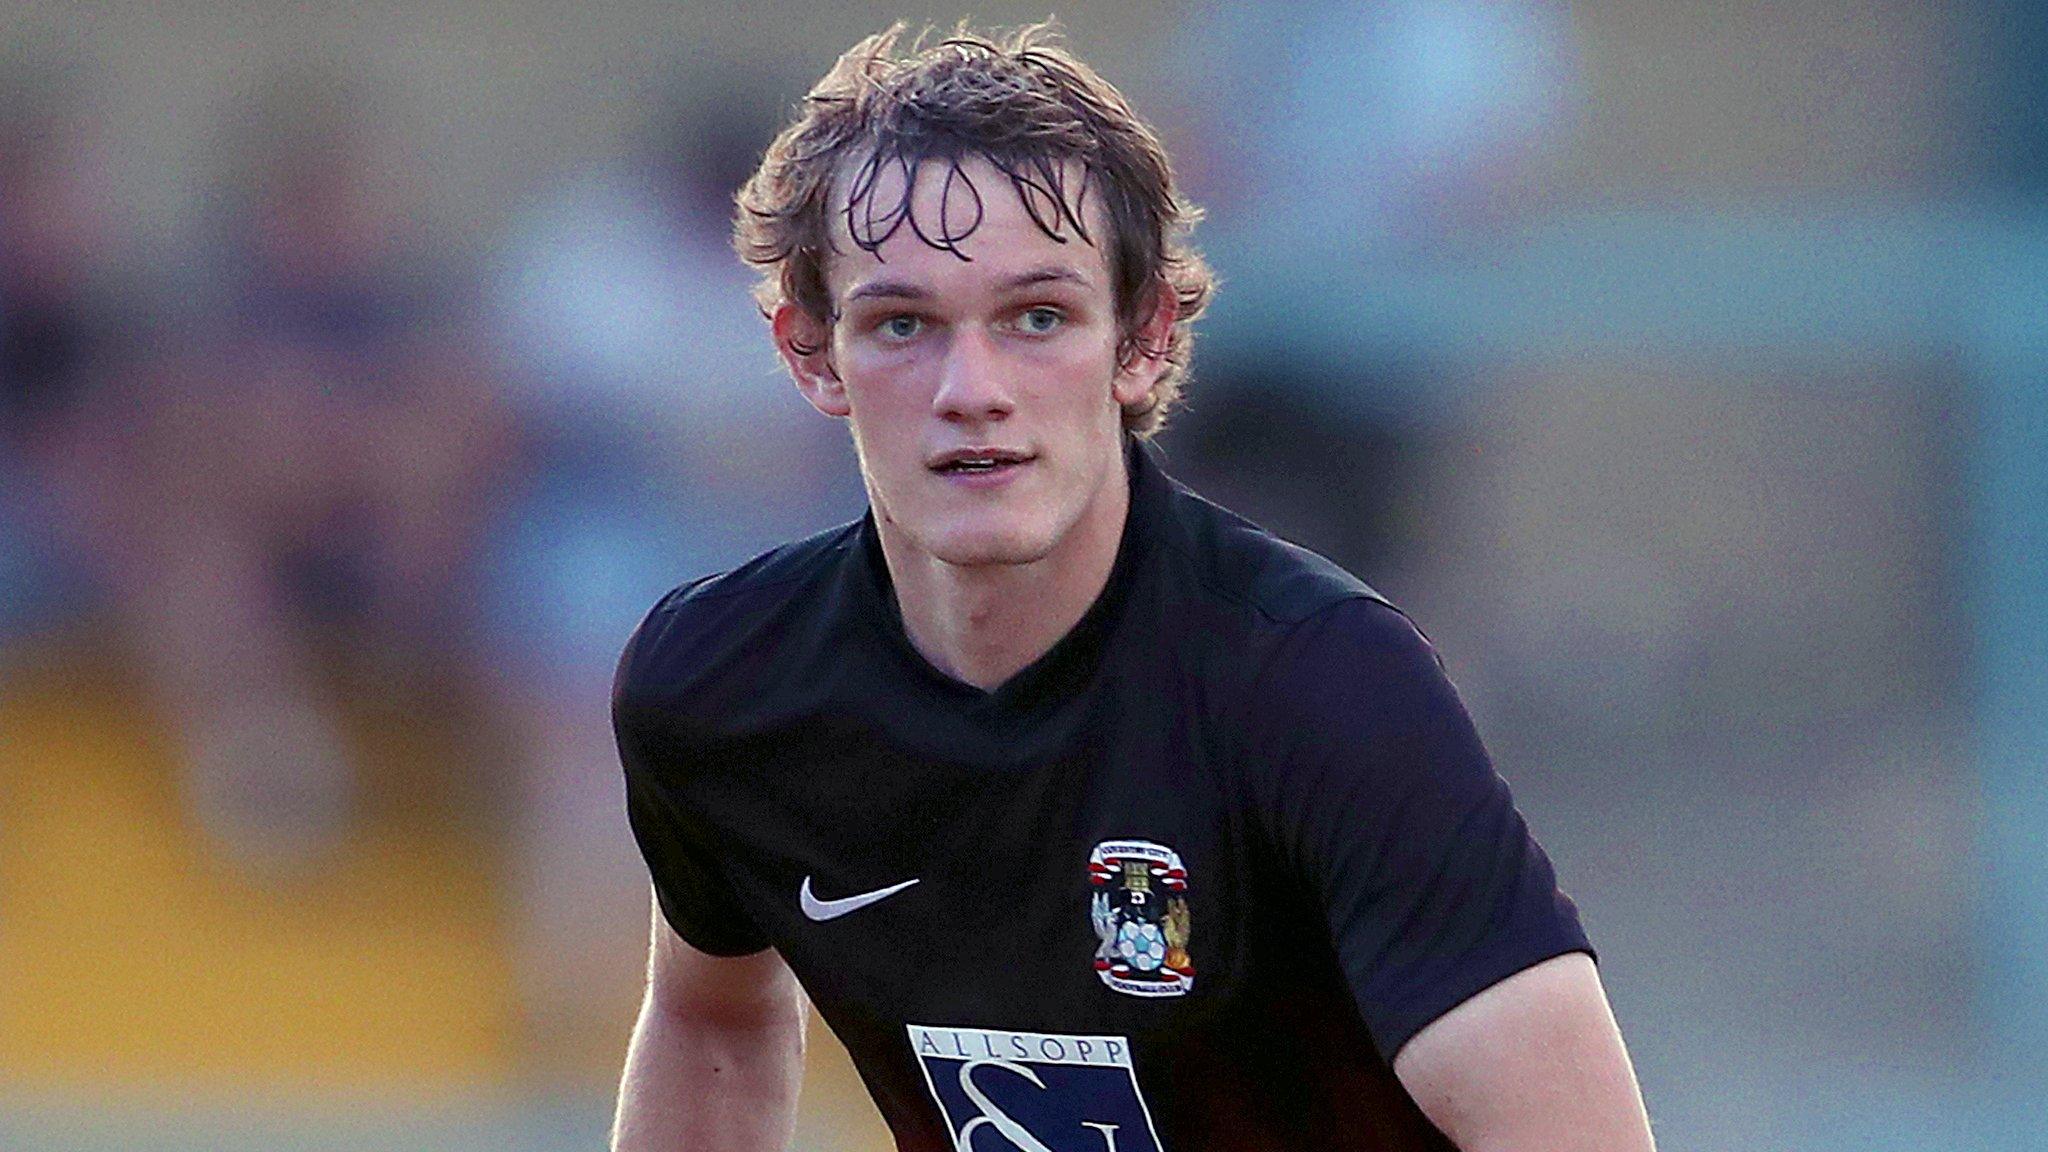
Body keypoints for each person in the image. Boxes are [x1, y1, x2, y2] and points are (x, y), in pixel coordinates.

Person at [611, 23, 1655, 1152]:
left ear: (1142, 338)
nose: (973, 389)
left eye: (1038, 318)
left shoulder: (1318, 685)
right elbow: (710, 1018)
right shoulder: (722, 687)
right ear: (809, 352)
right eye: (902, 323)